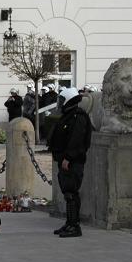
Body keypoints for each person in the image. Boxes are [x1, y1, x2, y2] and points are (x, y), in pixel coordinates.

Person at [48, 87, 92, 238]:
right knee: (68, 192)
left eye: (62, 100)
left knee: (71, 193)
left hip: (72, 161)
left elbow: (77, 140)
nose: (60, 103)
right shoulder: (69, 114)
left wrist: (68, 157)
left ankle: (74, 226)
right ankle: (69, 223)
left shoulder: (78, 116)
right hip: (65, 160)